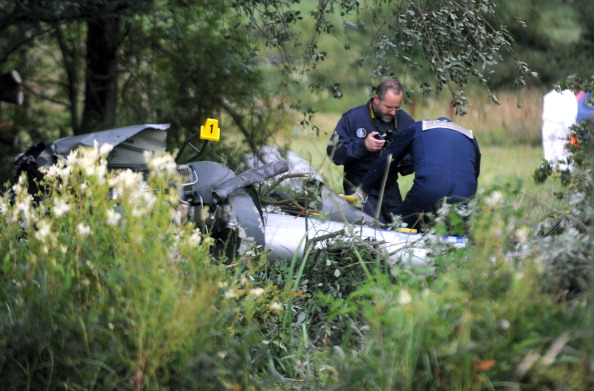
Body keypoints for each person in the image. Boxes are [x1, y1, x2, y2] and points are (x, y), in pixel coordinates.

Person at [359, 117, 481, 231]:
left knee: (400, 225)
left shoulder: (418, 127)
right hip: (465, 195)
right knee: (453, 233)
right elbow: (475, 173)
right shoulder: (470, 136)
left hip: (428, 189)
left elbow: (388, 158)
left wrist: (365, 187)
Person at [326, 78, 415, 223]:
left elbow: (413, 161)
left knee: (399, 231)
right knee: (372, 231)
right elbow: (333, 153)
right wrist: (363, 146)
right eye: (388, 107)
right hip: (358, 188)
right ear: (376, 99)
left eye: (397, 108)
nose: (393, 112)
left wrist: (395, 156)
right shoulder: (353, 118)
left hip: (390, 190)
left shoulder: (404, 120)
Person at [541, 88, 578, 170]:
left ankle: (543, 173)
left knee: (549, 152)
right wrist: (573, 132)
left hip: (547, 126)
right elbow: (569, 118)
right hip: (561, 126)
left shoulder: (550, 95)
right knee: (565, 154)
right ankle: (566, 175)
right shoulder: (570, 96)